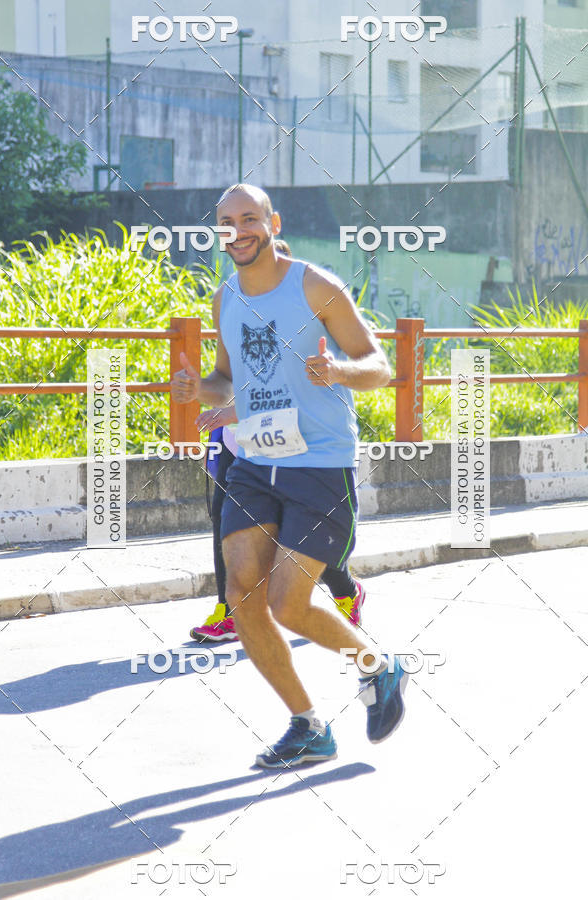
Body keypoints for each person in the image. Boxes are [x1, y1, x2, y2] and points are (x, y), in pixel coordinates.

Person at [171, 184, 408, 769]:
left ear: (272, 222)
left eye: (249, 218)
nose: (239, 230)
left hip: (319, 464)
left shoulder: (316, 286)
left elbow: (381, 367)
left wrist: (338, 371)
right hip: (253, 461)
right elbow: (229, 379)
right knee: (241, 594)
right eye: (227, 222)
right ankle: (307, 725)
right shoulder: (226, 295)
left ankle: (377, 667)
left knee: (288, 603)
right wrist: (202, 390)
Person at [190, 240, 365, 644]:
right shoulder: (233, 310)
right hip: (238, 446)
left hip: (295, 449)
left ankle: (345, 591)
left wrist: (234, 411)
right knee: (225, 526)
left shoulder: (299, 324)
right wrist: (205, 395)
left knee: (304, 538)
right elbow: (226, 379)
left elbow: (287, 395)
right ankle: (229, 611)